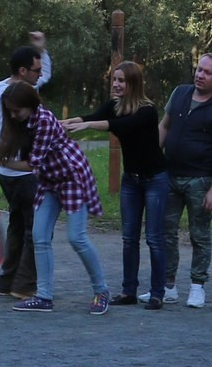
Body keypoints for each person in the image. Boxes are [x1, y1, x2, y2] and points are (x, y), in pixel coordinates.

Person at [0, 81, 108, 313]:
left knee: (77, 238)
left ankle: (101, 291)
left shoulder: (43, 120)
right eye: (10, 111)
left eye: (16, 111)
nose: (12, 116)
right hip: (49, 180)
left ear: (30, 105)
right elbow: (8, 149)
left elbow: (31, 164)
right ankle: (44, 296)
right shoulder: (21, 122)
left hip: (71, 177)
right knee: (39, 236)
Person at [66, 60, 171, 307]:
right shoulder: (114, 105)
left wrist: (88, 125)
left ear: (133, 83)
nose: (116, 84)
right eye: (114, 79)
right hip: (131, 180)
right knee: (129, 238)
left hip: (155, 180)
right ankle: (128, 292)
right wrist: (62, 123)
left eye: (121, 80)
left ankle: (157, 293)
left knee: (154, 238)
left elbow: (121, 125)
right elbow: (92, 116)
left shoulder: (147, 110)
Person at [158, 52, 212, 309]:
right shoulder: (180, 93)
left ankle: (197, 286)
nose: (200, 75)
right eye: (199, 69)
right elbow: (164, 126)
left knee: (199, 235)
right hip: (170, 175)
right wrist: (153, 160)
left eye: (207, 72)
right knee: (165, 232)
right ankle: (167, 286)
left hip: (200, 180)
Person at [0, 43, 48, 300]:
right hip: (21, 176)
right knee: (33, 230)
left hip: (18, 174)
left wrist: (42, 49)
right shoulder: (6, 95)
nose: (40, 75)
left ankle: (9, 281)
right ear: (22, 71)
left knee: (19, 227)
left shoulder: (23, 90)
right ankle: (23, 285)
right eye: (36, 70)